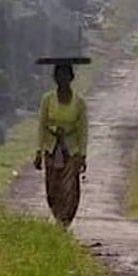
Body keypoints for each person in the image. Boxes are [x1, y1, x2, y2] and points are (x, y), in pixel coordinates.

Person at [34, 63, 89, 227]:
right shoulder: (47, 100)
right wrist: (38, 151)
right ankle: (57, 214)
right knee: (52, 186)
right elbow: (41, 125)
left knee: (69, 186)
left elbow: (83, 129)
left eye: (66, 76)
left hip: (71, 149)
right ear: (55, 78)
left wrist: (83, 154)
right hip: (52, 147)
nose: (63, 80)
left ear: (71, 78)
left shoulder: (79, 102)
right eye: (59, 76)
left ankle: (65, 220)